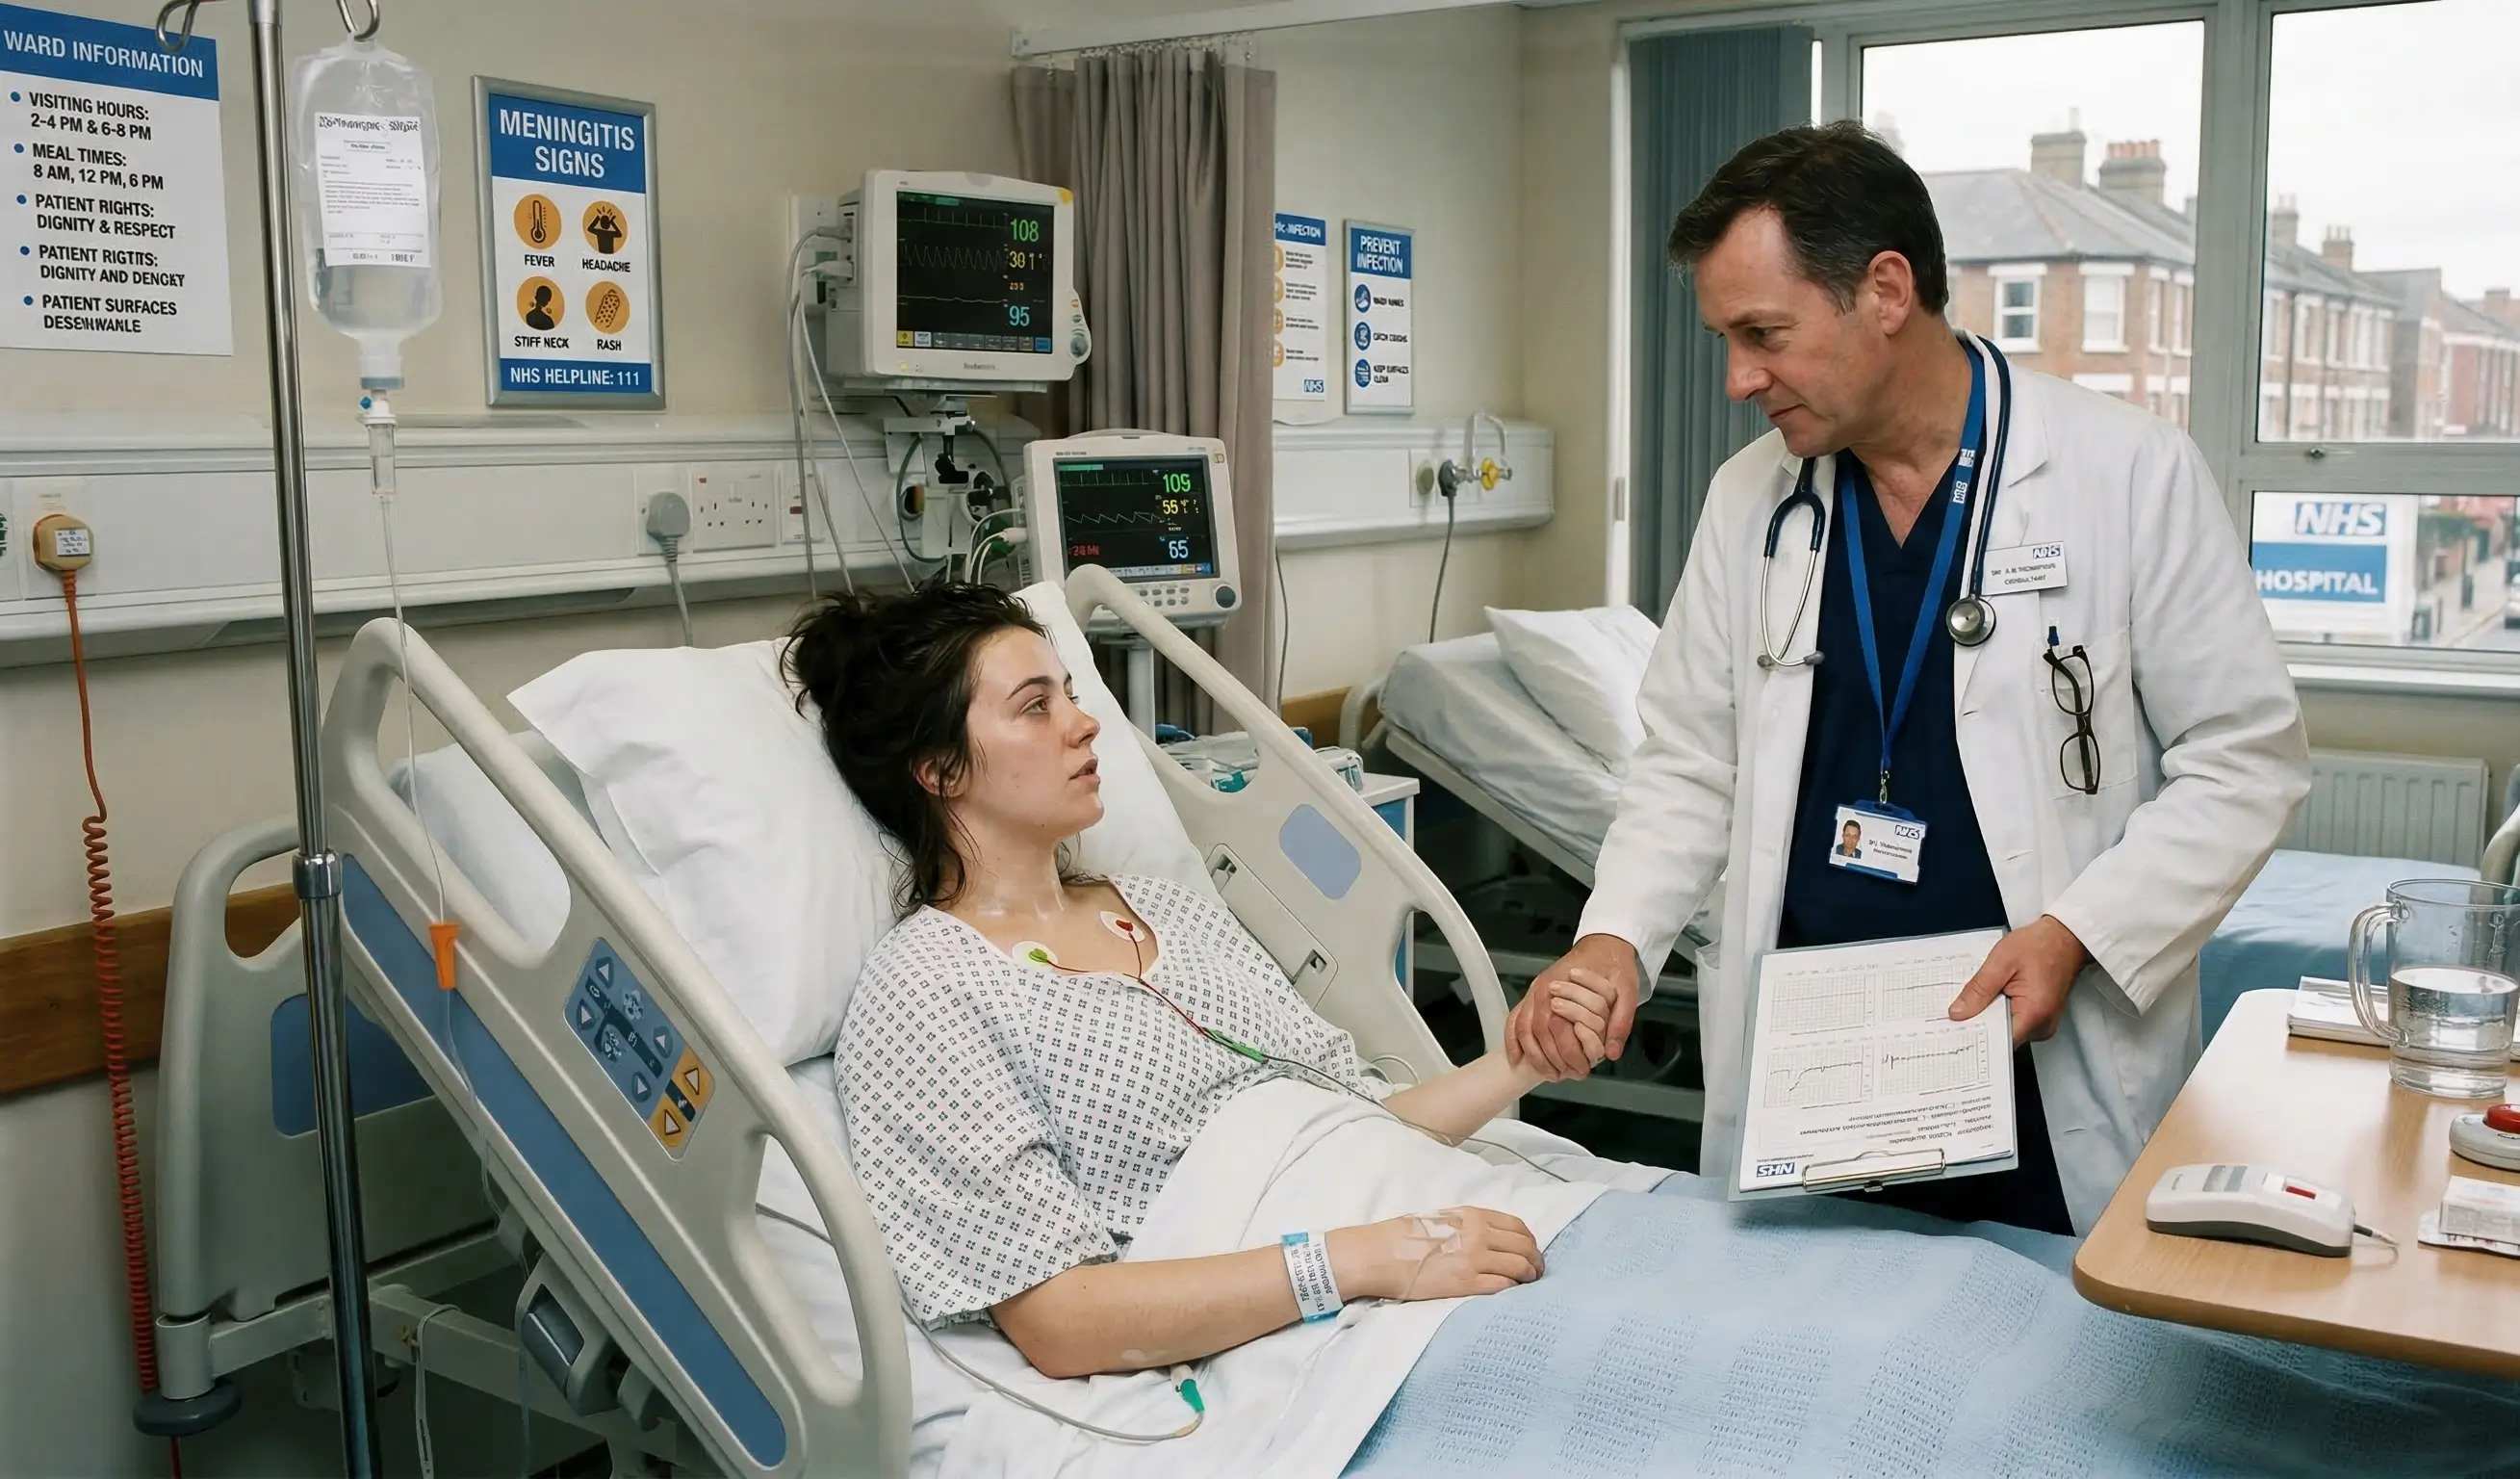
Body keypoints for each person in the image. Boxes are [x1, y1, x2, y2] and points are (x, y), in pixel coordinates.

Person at [1509, 121, 2311, 1235]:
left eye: (1764, 333)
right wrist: (1615, 935)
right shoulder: (1754, 500)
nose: (1740, 378)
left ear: (1884, 289)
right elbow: (1690, 760)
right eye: (1725, 340)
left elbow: (2242, 761)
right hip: (1813, 1064)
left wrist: (2076, 931)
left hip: (2028, 1034)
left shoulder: (2121, 474)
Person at [788, 584, 1612, 1378]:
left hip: (1423, 1223)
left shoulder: (1166, 910)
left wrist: (1526, 1060)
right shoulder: (926, 994)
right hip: (1331, 1301)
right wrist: (1361, 1260)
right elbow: (1059, 1322)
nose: (1084, 725)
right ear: (939, 770)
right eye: (1036, 706)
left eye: (1071, 696)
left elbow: (1357, 1123)